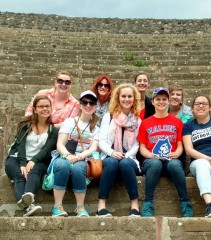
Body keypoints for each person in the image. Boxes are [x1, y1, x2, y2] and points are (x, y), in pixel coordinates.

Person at [137, 87, 193, 217]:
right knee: (155, 163)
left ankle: (185, 202)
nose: (161, 102)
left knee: (174, 165)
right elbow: (142, 147)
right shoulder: (145, 123)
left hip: (170, 160)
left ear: (168, 102)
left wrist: (177, 154)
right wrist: (150, 155)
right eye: (158, 99)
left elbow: (180, 145)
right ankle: (148, 203)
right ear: (153, 102)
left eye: (164, 99)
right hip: (151, 161)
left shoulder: (177, 122)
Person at [5, 95, 58, 216]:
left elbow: (46, 150)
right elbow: (20, 144)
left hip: (38, 161)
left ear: (51, 108)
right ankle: (29, 207)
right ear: (34, 109)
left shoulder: (53, 130)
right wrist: (23, 163)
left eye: (47, 106)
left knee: (34, 172)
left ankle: (27, 201)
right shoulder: (25, 123)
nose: (44, 108)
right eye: (41, 106)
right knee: (20, 175)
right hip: (16, 158)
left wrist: (33, 161)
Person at [96, 83, 142, 217]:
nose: (126, 99)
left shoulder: (137, 120)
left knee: (125, 163)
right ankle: (101, 206)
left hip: (129, 157)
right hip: (109, 155)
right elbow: (102, 141)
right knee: (112, 162)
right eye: (123, 96)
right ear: (118, 97)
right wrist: (112, 153)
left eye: (129, 96)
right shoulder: (108, 117)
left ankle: (135, 205)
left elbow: (136, 144)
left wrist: (126, 155)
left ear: (134, 99)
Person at [52, 90, 99, 217]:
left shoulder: (96, 128)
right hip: (65, 155)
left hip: (83, 158)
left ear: (95, 107)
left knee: (79, 168)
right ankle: (57, 206)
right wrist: (68, 155)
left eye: (91, 103)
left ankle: (80, 207)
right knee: (62, 165)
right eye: (85, 102)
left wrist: (80, 156)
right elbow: (60, 144)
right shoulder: (69, 122)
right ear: (80, 105)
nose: (88, 105)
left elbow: (93, 148)